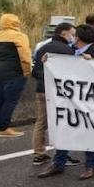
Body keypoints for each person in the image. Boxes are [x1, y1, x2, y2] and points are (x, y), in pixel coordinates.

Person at [36, 24, 94, 180]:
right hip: (68, 99)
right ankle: (58, 163)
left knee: (88, 132)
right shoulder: (71, 52)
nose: (73, 38)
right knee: (64, 128)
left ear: (79, 37)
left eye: (75, 35)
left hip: (88, 101)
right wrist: (48, 63)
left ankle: (91, 166)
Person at [30, 22, 75, 164]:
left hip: (41, 90)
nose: (73, 37)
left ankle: (39, 153)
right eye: (72, 34)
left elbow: (35, 72)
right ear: (64, 34)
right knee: (62, 122)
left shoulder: (42, 48)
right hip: (59, 91)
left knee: (41, 122)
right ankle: (61, 155)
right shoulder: (67, 50)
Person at [0, 13, 31, 138]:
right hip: (13, 71)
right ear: (16, 23)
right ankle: (4, 127)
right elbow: (25, 56)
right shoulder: (20, 36)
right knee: (10, 100)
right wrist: (27, 71)